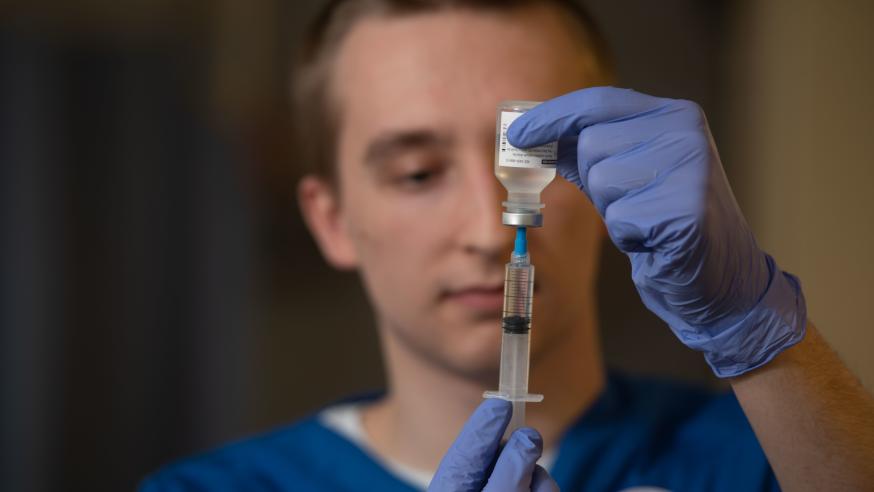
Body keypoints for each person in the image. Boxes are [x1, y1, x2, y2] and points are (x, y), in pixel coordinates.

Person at [140, 0, 874, 490]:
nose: (491, 227)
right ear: (330, 219)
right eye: (418, 172)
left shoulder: (765, 454)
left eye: (542, 162)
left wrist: (757, 330)